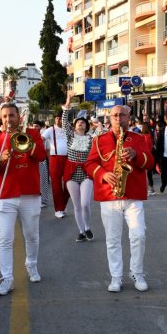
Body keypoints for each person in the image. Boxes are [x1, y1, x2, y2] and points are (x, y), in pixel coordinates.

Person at [84, 105, 155, 292]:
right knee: (113, 239)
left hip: (133, 194)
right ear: (109, 118)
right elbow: (90, 163)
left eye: (122, 115)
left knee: (138, 234)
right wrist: (103, 174)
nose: (118, 118)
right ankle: (116, 277)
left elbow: (151, 162)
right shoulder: (99, 140)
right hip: (109, 195)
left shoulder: (139, 138)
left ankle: (137, 273)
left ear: (128, 117)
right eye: (114, 115)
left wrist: (136, 155)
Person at [0, 102, 47, 296]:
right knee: (5, 239)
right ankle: (7, 278)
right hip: (5, 193)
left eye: (12, 115)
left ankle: (32, 265)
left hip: (29, 193)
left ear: (19, 117)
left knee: (32, 235)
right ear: (0, 119)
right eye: (5, 117)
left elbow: (42, 156)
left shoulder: (33, 134)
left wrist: (29, 144)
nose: (8, 120)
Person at [62, 94, 95, 241]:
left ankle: (87, 227)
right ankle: (82, 231)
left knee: (85, 204)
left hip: (86, 172)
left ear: (86, 126)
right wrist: (68, 104)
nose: (81, 123)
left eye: (83, 122)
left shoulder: (91, 138)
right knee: (76, 205)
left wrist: (99, 127)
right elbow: (64, 122)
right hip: (71, 172)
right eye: (78, 122)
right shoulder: (70, 136)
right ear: (74, 126)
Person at [41, 110, 70, 218]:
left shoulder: (68, 130)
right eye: (57, 118)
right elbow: (41, 139)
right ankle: (58, 209)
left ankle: (63, 205)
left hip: (68, 159)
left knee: (69, 184)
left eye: (60, 118)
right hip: (55, 158)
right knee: (56, 185)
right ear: (54, 119)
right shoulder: (50, 130)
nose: (58, 120)